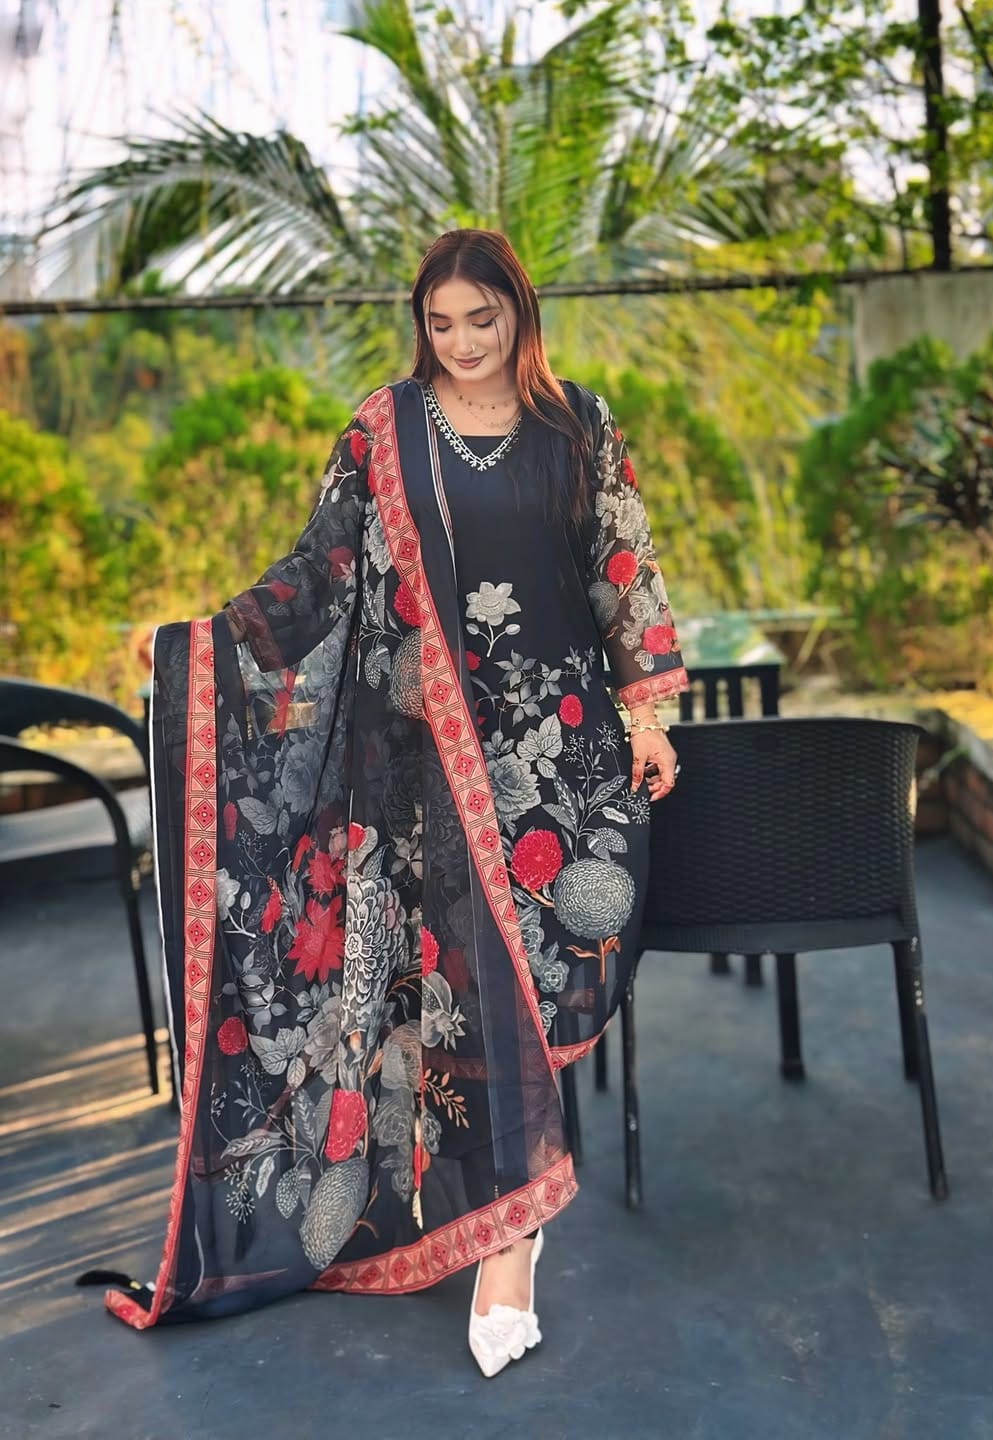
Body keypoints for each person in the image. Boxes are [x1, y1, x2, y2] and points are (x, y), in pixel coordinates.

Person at [88, 228, 688, 1377]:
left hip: (563, 757)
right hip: (426, 769)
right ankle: (509, 1242)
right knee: (470, 991)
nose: (461, 343)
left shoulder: (579, 424)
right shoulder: (383, 428)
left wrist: (649, 711)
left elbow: (623, 565)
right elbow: (320, 569)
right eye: (440, 323)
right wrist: (203, 649)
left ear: (519, 313)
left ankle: (508, 1208)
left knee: (547, 969)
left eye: (482, 319)